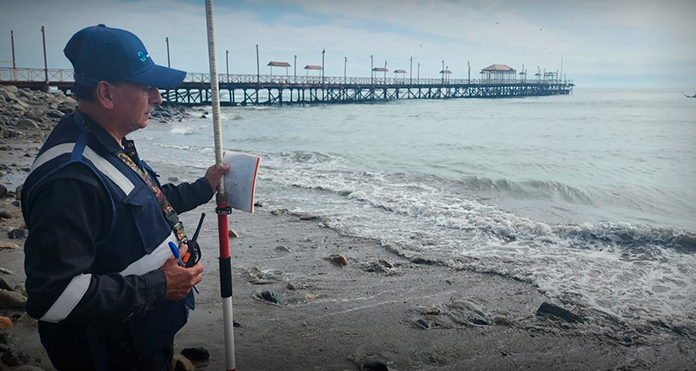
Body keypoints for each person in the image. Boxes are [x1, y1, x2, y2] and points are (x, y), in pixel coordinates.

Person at [21, 24, 229, 370]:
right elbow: (52, 297)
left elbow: (149, 202)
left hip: (140, 338)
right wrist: (159, 285)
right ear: (106, 93)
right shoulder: (71, 179)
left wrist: (205, 186)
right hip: (108, 355)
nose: (158, 97)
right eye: (147, 87)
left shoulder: (108, 142)